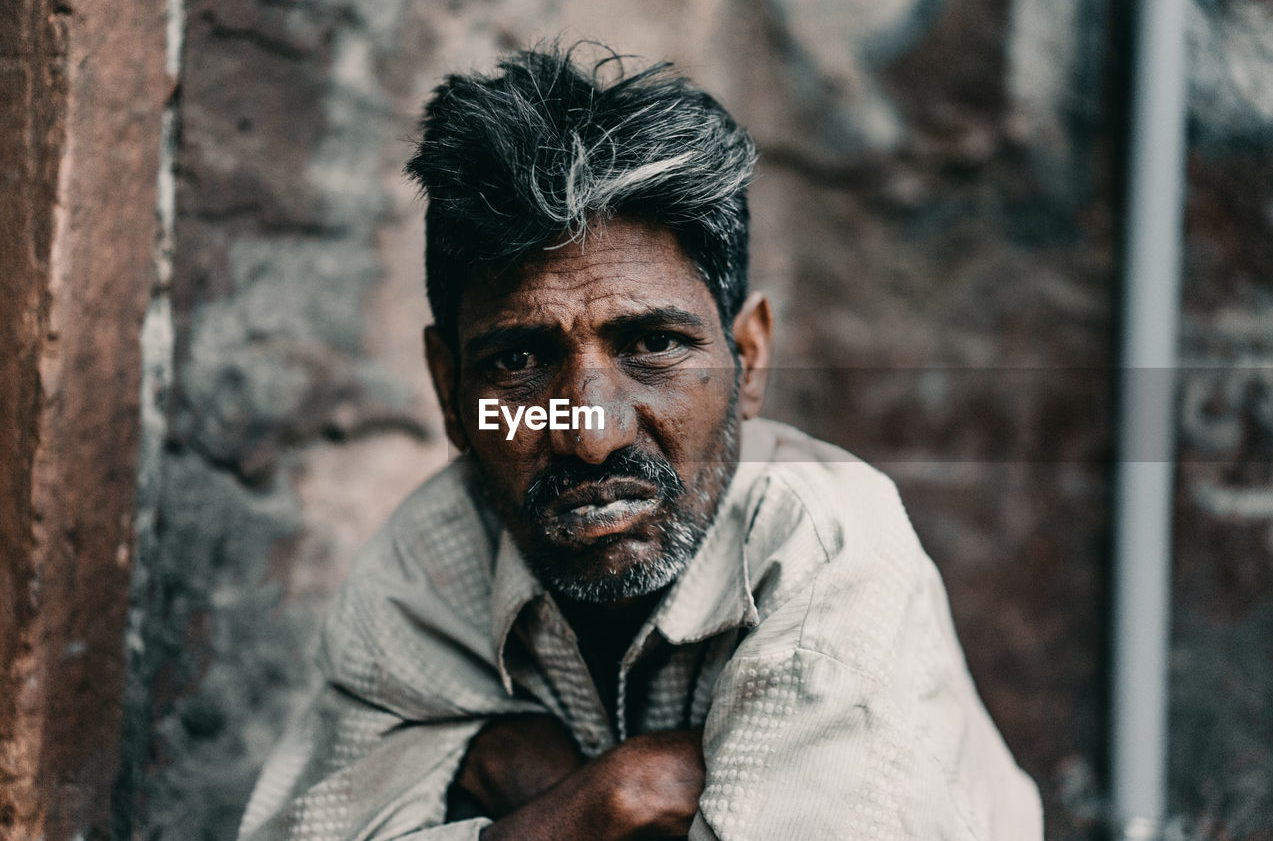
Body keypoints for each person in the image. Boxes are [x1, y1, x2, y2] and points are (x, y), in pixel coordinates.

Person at [238, 44, 1042, 840]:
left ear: (748, 358)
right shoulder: (428, 564)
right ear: (450, 389)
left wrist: (503, 790)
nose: (590, 433)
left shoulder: (823, 546)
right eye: (517, 360)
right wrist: (602, 800)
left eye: (654, 344)